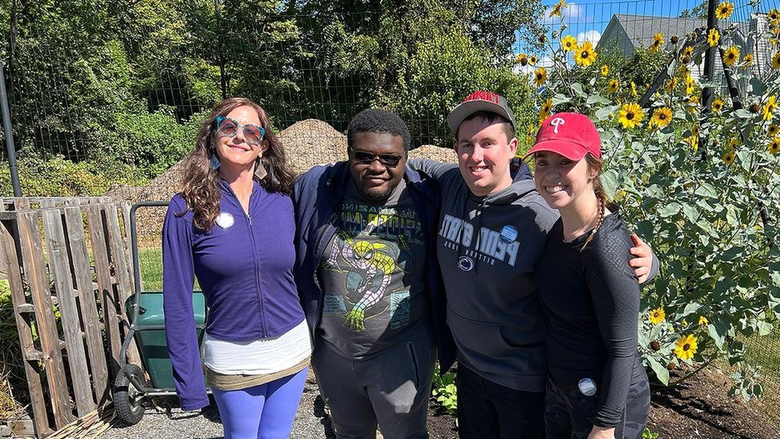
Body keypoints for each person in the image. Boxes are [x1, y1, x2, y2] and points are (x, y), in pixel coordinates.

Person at [408, 91, 657, 439]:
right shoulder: (452, 182)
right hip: (471, 369)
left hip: (522, 380)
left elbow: (603, 248)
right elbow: (405, 162)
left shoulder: (541, 213)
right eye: (466, 144)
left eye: (487, 143)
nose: (475, 156)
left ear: (512, 150)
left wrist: (647, 261)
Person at [292, 108, 454, 439]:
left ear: (405, 158)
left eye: (390, 159)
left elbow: (486, 179)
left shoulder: (426, 196)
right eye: (364, 157)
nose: (377, 167)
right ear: (348, 155)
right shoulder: (318, 188)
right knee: (350, 434)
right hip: (333, 354)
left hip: (401, 352)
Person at [162, 97, 311, 439]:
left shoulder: (283, 199)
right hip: (233, 359)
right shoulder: (186, 209)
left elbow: (302, 272)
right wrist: (189, 383)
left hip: (292, 350)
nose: (239, 136)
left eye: (251, 131)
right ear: (213, 137)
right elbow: (178, 301)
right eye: (229, 127)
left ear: (263, 146)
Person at [526, 113, 650, 439]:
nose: (551, 174)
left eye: (565, 161)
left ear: (593, 168)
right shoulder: (562, 224)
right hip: (565, 387)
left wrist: (605, 425)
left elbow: (623, 349)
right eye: (542, 161)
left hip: (603, 398)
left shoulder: (604, 246)